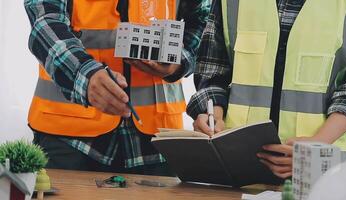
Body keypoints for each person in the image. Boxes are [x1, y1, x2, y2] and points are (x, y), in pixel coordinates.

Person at [24, 0, 210, 176]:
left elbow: (204, 18)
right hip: (70, 136)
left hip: (158, 139)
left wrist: (180, 60)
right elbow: (44, 22)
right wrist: (83, 73)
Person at [187, 0, 346, 178]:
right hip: (239, 164)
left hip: (323, 168)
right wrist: (212, 114)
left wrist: (320, 143)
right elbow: (212, 68)